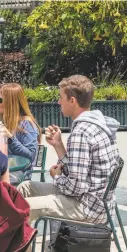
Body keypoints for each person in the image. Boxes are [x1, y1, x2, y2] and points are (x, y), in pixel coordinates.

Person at [17, 75, 120, 224]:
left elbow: (75, 188)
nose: (58, 102)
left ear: (72, 101)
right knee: (25, 187)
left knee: (23, 208)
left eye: (61, 97)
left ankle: (16, 246)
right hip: (97, 203)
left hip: (87, 207)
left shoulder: (81, 132)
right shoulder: (97, 124)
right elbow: (79, 172)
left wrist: (56, 176)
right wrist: (58, 145)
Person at [0, 83, 41, 181]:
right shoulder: (8, 123)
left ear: (10, 103)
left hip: (19, 176)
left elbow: (31, 156)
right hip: (5, 171)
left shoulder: (26, 124)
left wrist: (10, 138)